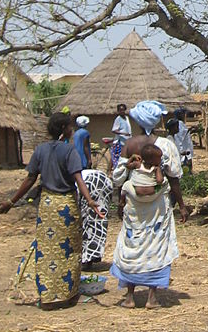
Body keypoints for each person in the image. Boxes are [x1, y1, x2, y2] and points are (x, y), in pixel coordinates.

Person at [0, 112, 104, 309]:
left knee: (47, 252)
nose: (72, 130)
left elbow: (30, 179)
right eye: (70, 127)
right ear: (64, 129)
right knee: (68, 251)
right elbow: (78, 178)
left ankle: (47, 297)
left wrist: (11, 202)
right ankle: (65, 295)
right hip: (66, 207)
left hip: (47, 206)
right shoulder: (69, 151)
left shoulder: (40, 150)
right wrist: (90, 201)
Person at [110, 100, 189, 309]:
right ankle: (151, 298)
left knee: (133, 244)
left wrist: (120, 202)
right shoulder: (166, 145)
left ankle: (129, 297)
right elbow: (174, 178)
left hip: (133, 206)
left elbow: (119, 178)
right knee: (156, 246)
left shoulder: (129, 144)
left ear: (137, 121)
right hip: (158, 207)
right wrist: (181, 205)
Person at [79, 168, 114, 267]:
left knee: (86, 221)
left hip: (90, 182)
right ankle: (93, 255)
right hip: (105, 181)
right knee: (98, 219)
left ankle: (87, 258)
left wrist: (89, 201)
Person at [111, 104, 132, 169]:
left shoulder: (126, 118)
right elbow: (114, 130)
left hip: (126, 141)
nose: (122, 111)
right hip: (120, 142)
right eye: (120, 110)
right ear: (118, 111)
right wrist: (123, 133)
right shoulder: (118, 119)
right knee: (118, 158)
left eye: (123, 110)